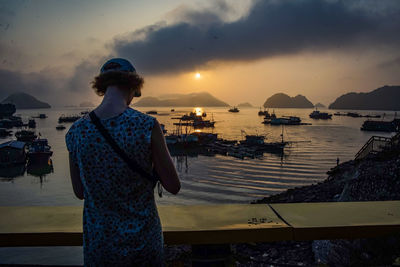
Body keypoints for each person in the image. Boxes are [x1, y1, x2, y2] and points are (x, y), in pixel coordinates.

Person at [65, 58, 180, 266]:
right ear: (133, 86)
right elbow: (173, 186)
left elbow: (80, 192)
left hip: (100, 246)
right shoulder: (146, 125)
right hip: (143, 243)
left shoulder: (76, 131)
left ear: (102, 87)